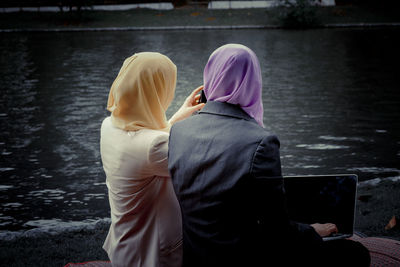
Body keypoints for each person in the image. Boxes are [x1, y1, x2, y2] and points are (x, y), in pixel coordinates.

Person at [168, 44, 370, 266]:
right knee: (357, 253)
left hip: (195, 257)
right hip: (244, 256)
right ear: (253, 82)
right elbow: (277, 230)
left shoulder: (178, 130)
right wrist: (312, 231)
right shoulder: (261, 141)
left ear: (209, 77)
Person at [100, 52, 205, 267]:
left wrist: (179, 116)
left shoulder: (110, 125)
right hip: (150, 255)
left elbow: (145, 142)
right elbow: (201, 162)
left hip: (125, 245)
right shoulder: (153, 147)